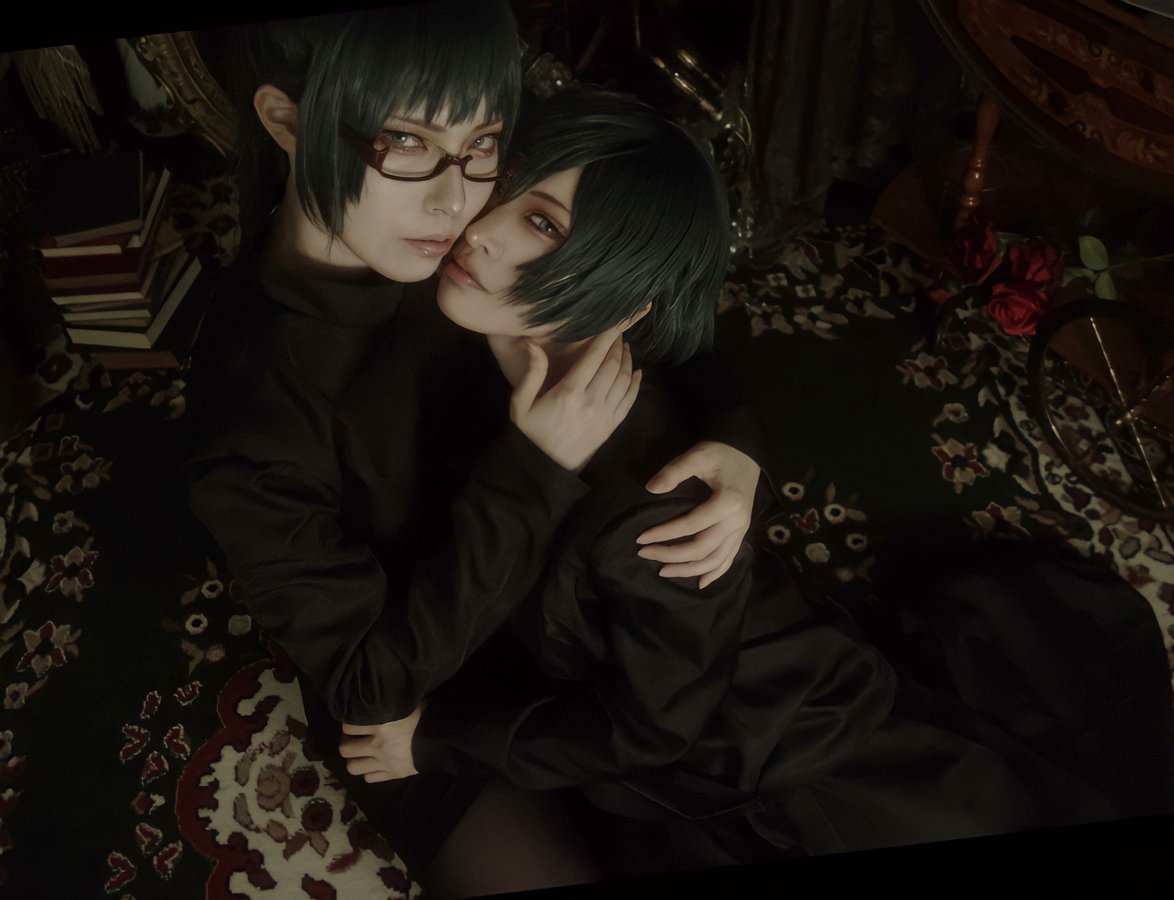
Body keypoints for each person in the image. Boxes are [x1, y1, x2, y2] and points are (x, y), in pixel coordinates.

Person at [338, 85, 1174, 880]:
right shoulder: (506, 330)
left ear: (621, 291)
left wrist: (438, 741)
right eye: (506, 187)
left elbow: (655, 730)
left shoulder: (646, 509)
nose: (479, 228)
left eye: (543, 224)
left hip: (770, 760)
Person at [184, 2, 766, 891]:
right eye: (405, 143)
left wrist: (736, 442)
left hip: (566, 602)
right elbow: (369, 683)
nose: (459, 205)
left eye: (482, 143)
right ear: (287, 122)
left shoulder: (453, 233)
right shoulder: (255, 415)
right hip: (421, 673)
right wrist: (533, 472)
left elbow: (629, 280)